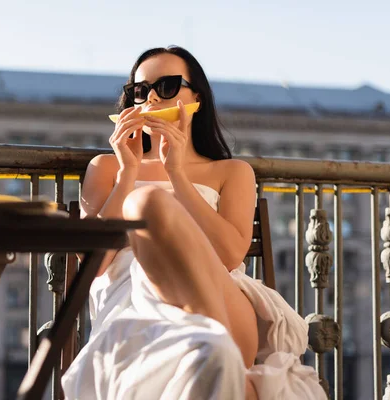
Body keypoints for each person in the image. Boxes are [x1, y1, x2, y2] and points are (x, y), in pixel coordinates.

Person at [62, 46, 325, 400]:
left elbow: (231, 256)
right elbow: (92, 267)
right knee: (145, 202)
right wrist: (128, 173)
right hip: (133, 306)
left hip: (221, 299)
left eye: (167, 86)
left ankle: (214, 347)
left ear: (195, 98)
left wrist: (177, 176)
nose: (152, 96)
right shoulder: (107, 168)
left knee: (149, 203)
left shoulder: (230, 172)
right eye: (140, 90)